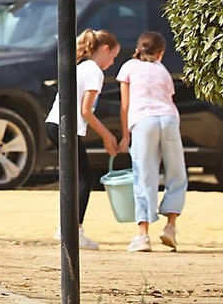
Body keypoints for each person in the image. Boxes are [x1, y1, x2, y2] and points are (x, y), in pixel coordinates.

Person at [45, 28, 120, 251]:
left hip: (56, 123)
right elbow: (86, 110)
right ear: (105, 50)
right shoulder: (94, 71)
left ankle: (68, 228)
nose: (113, 62)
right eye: (113, 56)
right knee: (84, 178)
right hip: (65, 125)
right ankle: (73, 230)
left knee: (75, 176)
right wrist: (107, 135)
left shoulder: (83, 67)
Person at [118, 31, 187, 251]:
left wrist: (125, 134)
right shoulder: (162, 69)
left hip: (143, 120)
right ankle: (170, 227)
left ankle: (143, 235)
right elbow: (168, 98)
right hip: (168, 119)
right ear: (161, 52)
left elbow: (125, 105)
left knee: (144, 175)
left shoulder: (129, 67)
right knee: (176, 172)